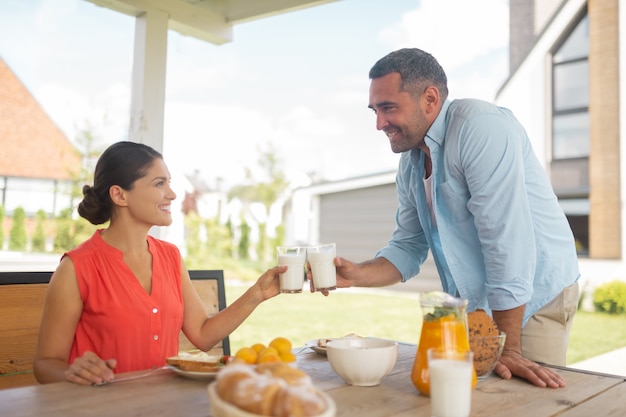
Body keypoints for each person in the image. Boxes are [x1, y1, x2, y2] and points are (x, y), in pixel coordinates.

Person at [313, 48, 580, 388]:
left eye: (388, 108)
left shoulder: (479, 127)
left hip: (536, 293)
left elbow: (505, 240)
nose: (379, 123)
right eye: (375, 110)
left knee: (524, 400)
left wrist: (508, 346)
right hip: (479, 304)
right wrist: (357, 274)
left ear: (430, 98)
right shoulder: (411, 161)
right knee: (471, 398)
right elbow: (409, 246)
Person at [33, 141, 285, 386]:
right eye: (159, 183)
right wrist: (72, 372)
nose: (172, 194)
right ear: (120, 195)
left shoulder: (171, 257)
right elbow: (45, 364)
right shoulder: (77, 268)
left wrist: (257, 294)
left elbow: (202, 334)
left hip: (164, 406)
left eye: (169, 183)